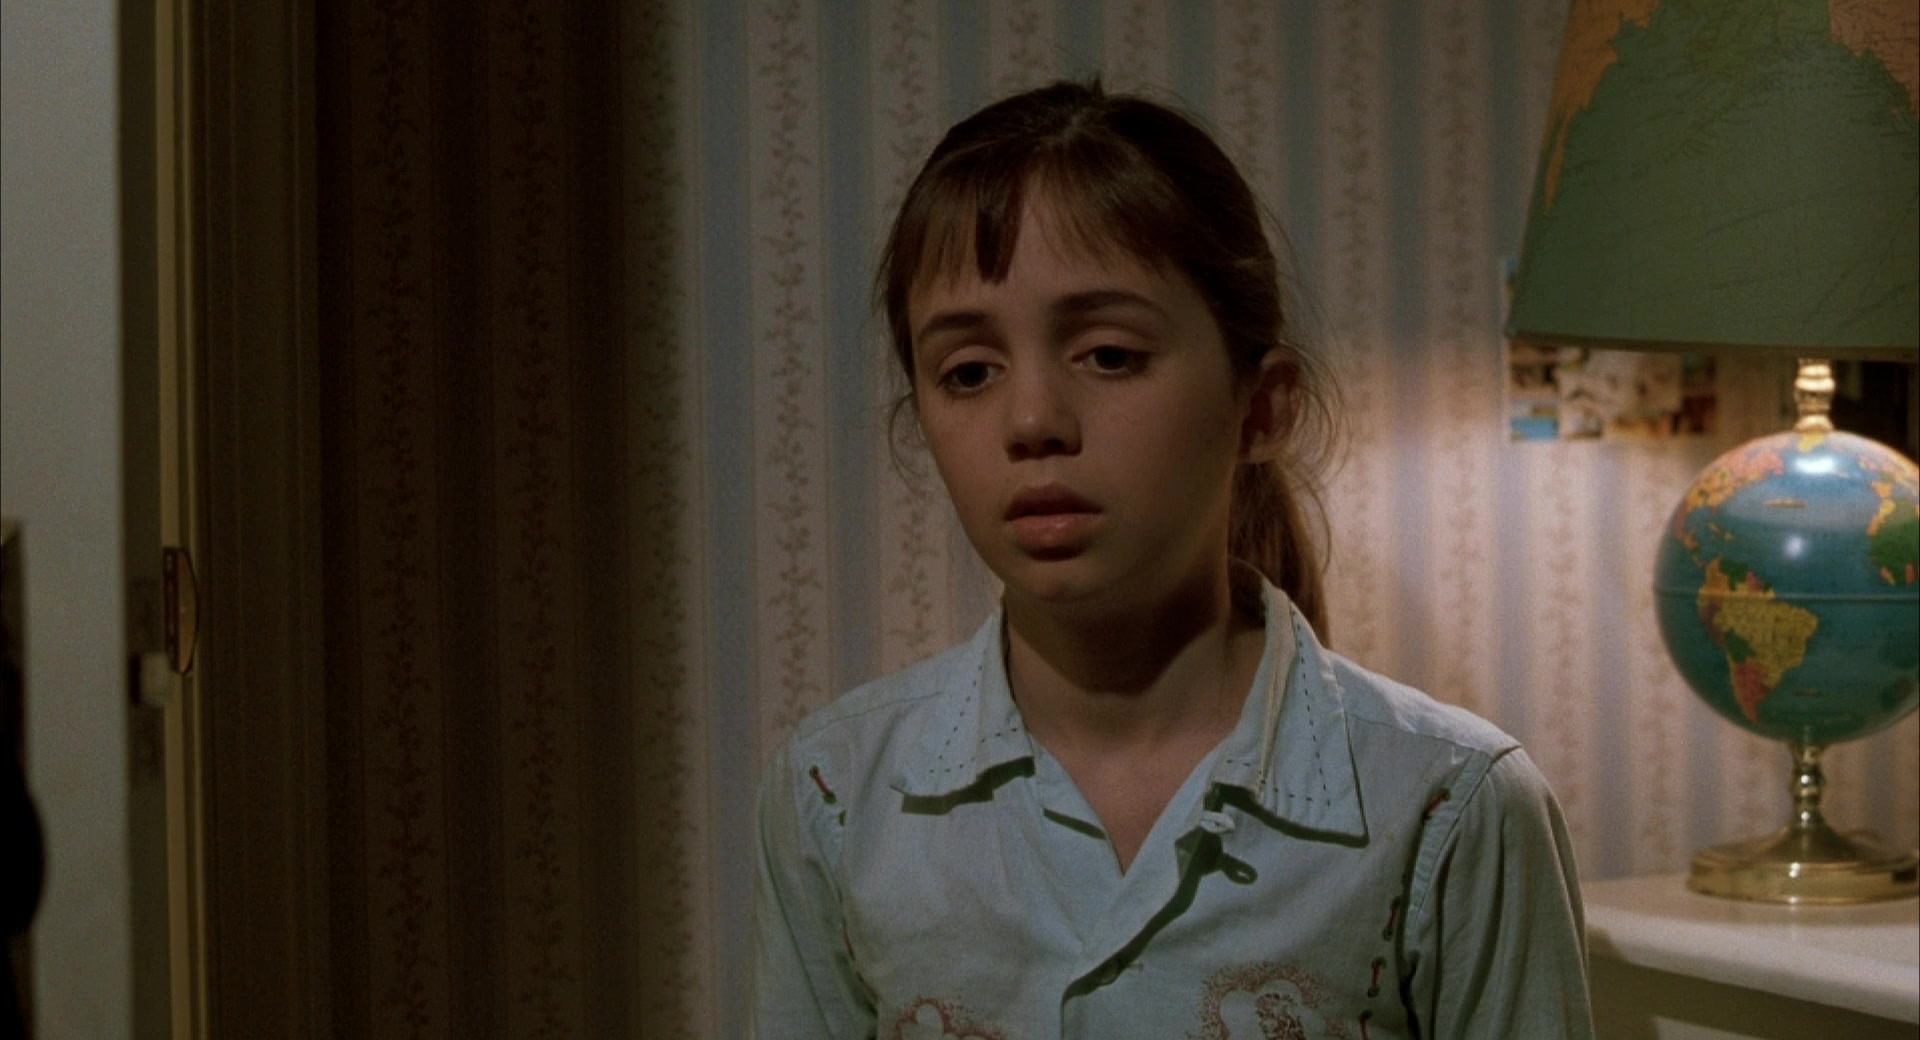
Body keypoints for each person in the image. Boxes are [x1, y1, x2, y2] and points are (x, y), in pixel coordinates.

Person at [753, 79, 1592, 1039]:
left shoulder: (1451, 805)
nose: (1032, 421)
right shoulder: (838, 795)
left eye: (1109, 355)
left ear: (1260, 407)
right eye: (969, 372)